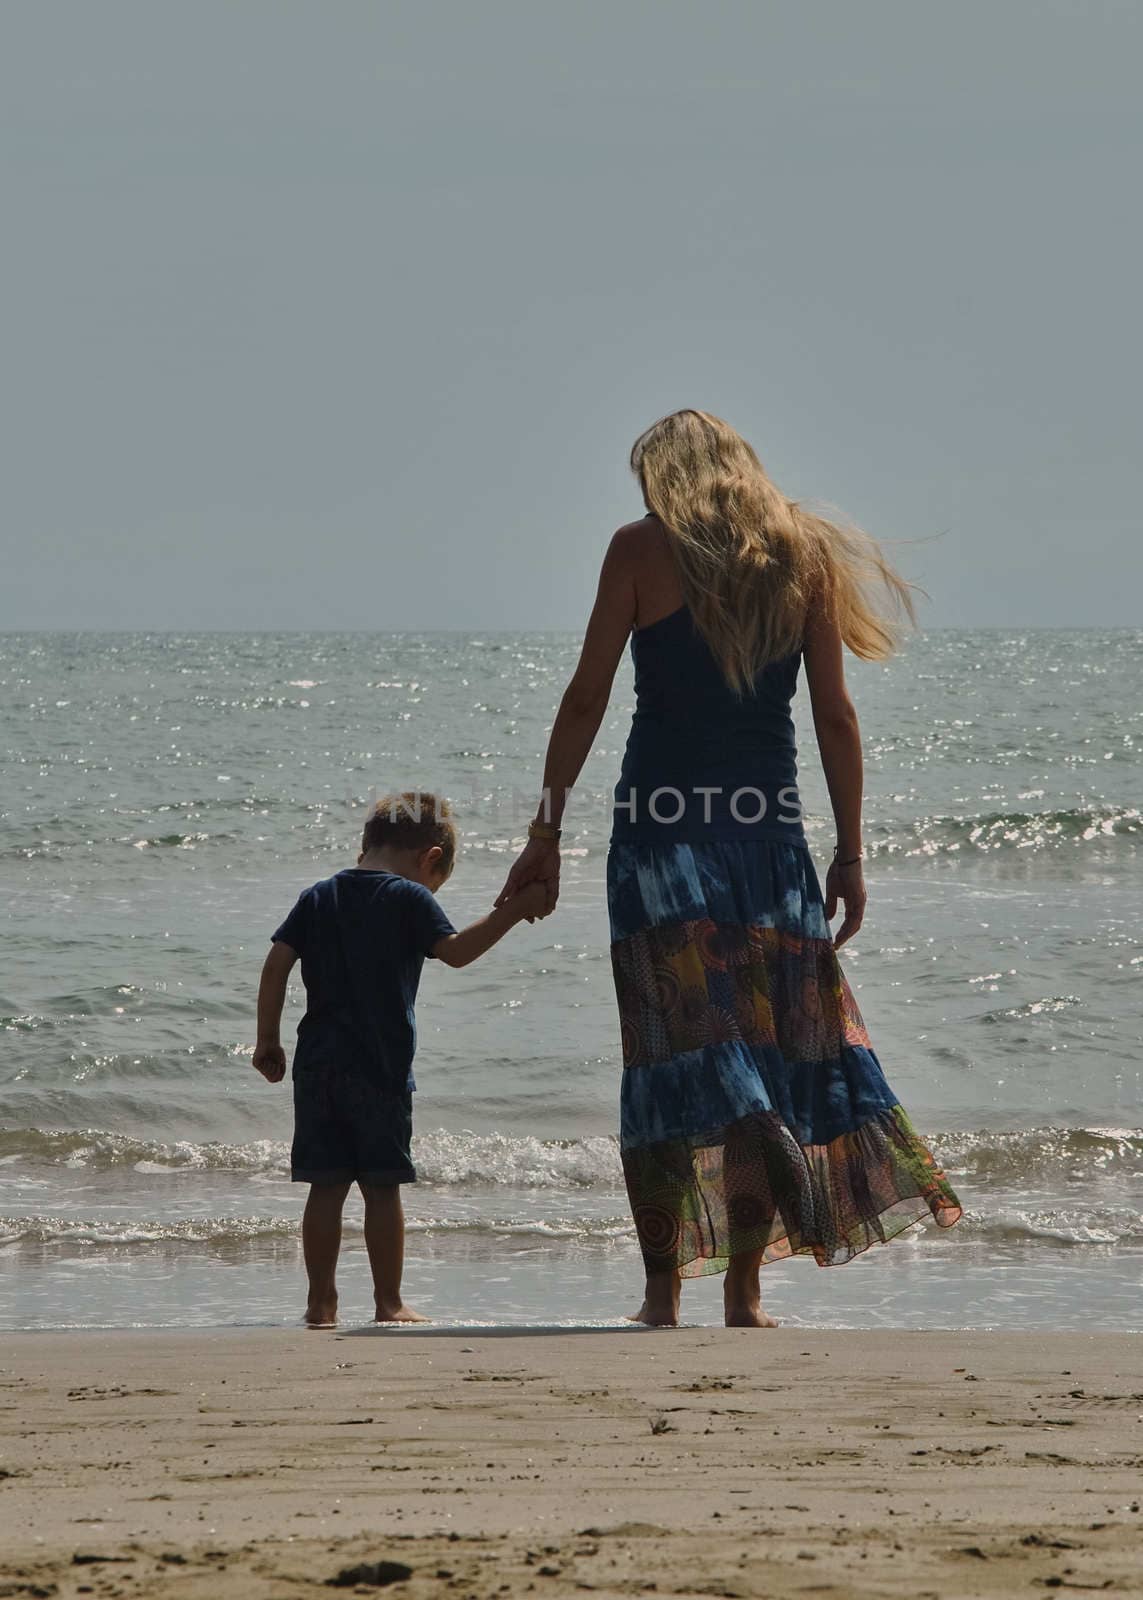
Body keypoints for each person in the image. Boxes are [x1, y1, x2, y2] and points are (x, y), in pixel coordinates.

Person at [496, 410, 962, 1328]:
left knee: (670, 1061)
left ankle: (661, 1294)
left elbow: (587, 694)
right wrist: (851, 852)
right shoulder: (801, 553)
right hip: (769, 841)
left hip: (658, 841)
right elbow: (834, 716)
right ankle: (745, 1295)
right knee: (764, 1048)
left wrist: (544, 831)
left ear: (660, 478)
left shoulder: (638, 549)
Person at [255, 791, 548, 1327]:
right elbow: (456, 953)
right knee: (382, 1187)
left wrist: (267, 1040)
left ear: (365, 844)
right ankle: (388, 1303)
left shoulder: (317, 896)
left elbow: (276, 965)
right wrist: (515, 911)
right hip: (380, 1066)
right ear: (430, 859)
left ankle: (321, 1302)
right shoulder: (409, 898)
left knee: (326, 1186)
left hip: (316, 1065)